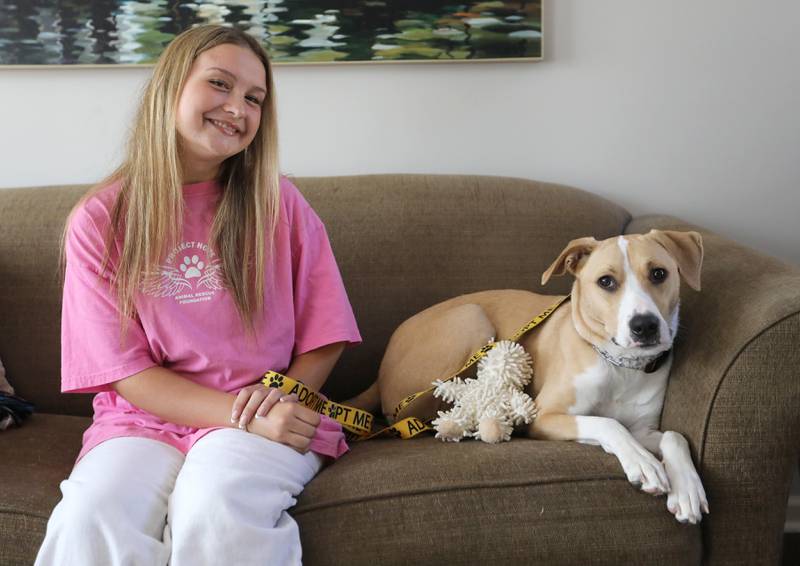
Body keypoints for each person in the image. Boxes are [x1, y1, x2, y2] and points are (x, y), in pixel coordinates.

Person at [35, 25, 361, 566]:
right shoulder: (101, 219)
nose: (238, 107)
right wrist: (242, 416)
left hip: (266, 410)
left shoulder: (279, 204)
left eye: (254, 98)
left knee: (215, 503)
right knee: (91, 513)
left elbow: (326, 334)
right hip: (143, 420)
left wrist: (281, 405)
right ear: (171, 88)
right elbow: (126, 372)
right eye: (220, 84)